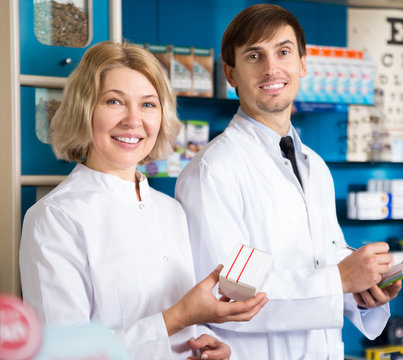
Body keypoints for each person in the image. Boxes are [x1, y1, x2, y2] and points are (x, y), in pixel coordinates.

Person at [175, 4, 402, 359]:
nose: (271, 69)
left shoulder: (315, 166)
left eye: (283, 52)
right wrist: (339, 279)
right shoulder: (213, 171)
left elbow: (322, 262)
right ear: (230, 73)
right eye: (254, 56)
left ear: (302, 63)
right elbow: (227, 296)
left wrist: (363, 290)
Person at [19, 41, 268, 360]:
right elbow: (62, 354)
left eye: (148, 105)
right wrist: (178, 317)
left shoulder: (171, 211)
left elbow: (175, 329)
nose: (133, 120)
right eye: (114, 101)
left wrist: (201, 341)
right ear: (85, 110)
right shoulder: (54, 217)